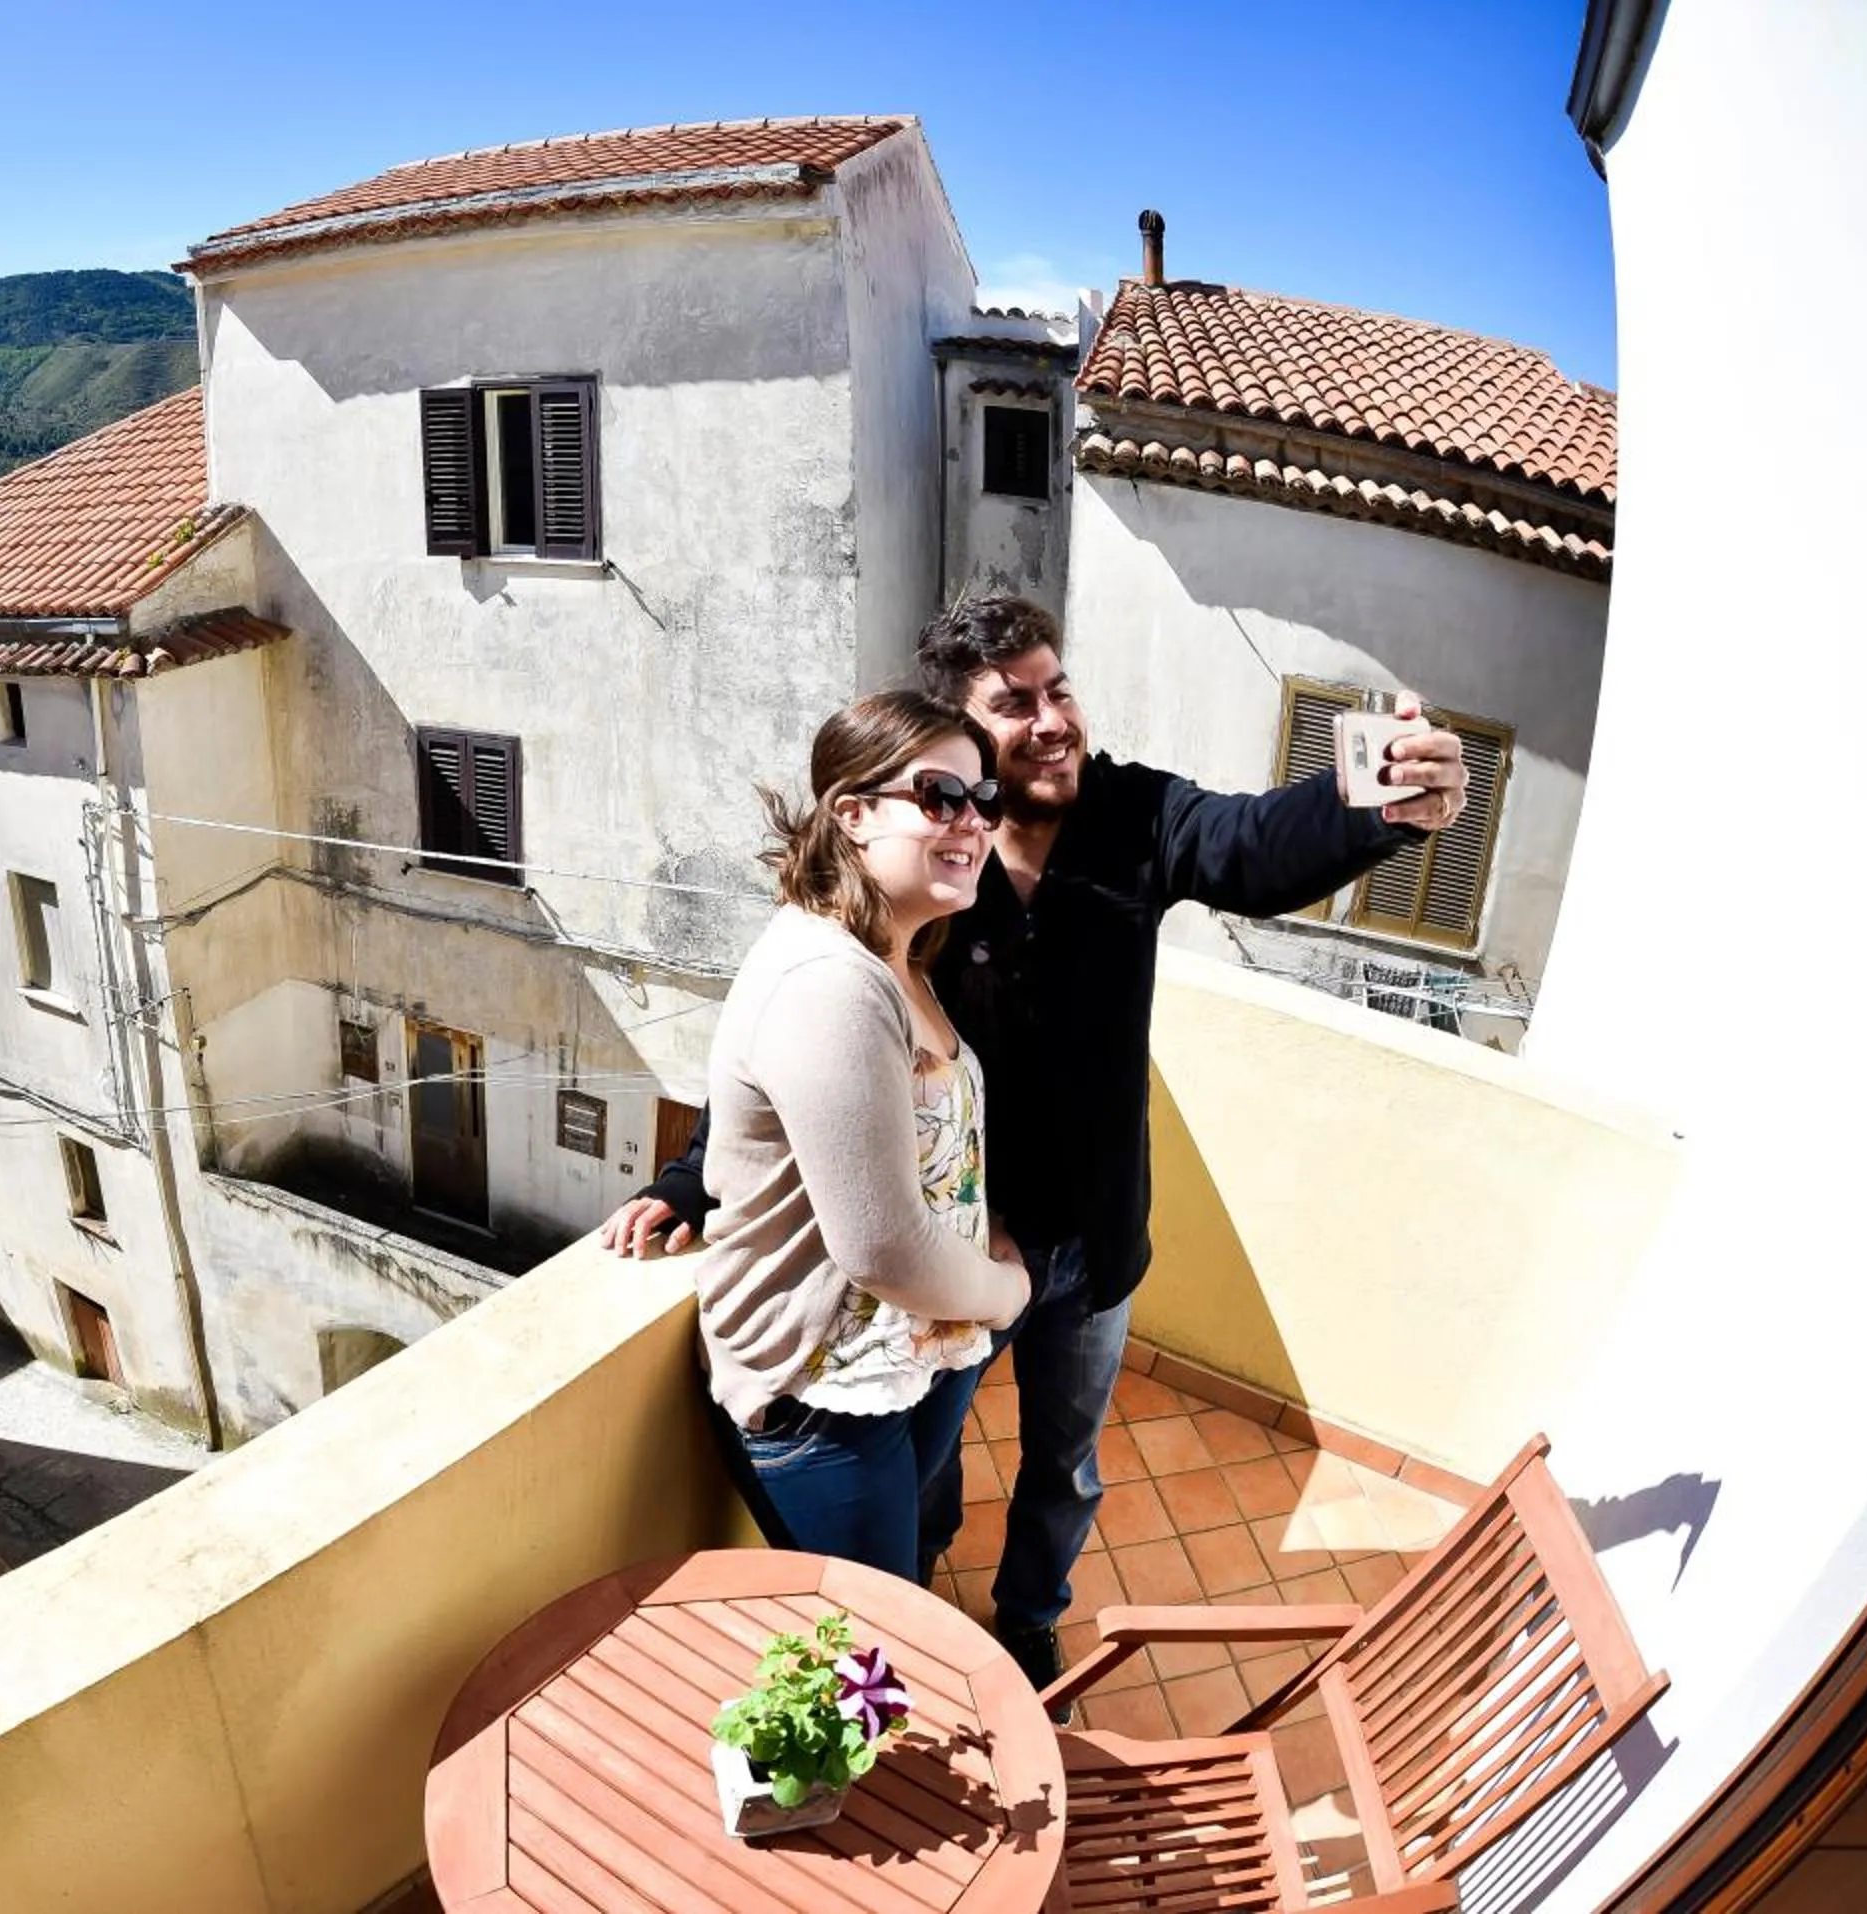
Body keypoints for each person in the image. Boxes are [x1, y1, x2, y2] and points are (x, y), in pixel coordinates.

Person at [604, 594, 1467, 1706]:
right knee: (927, 1449)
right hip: (964, 1256)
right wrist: (690, 1180)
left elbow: (1255, 847)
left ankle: (1026, 1624)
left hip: (1092, 1250)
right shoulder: (928, 887)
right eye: (1015, 704)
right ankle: (914, 1610)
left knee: (1065, 1465)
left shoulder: (1135, 816)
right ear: (959, 737)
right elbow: (815, 1059)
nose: (1054, 718)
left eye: (1059, 689)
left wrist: (1375, 805)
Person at [691, 688, 1032, 1585]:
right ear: (851, 812)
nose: (973, 821)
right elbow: (881, 1247)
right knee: (869, 1646)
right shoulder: (828, 984)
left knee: (904, 1586)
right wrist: (1005, 1295)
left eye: (984, 801)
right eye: (940, 796)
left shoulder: (897, 960)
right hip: (827, 1394)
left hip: (907, 1357)